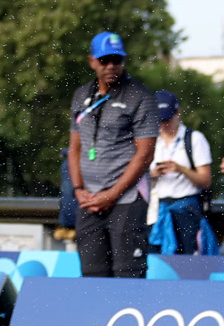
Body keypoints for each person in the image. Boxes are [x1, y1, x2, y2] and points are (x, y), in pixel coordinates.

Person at [67, 31, 159, 278]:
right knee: (92, 274)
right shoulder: (81, 95)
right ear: (92, 61)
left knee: (127, 275)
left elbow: (145, 155)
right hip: (89, 201)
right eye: (104, 60)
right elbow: (75, 147)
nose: (111, 66)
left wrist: (111, 194)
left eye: (116, 60)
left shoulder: (141, 96)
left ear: (123, 61)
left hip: (126, 200)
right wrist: (78, 189)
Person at [146, 89, 212, 254]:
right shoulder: (152, 141)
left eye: (167, 119)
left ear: (178, 113)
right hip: (158, 209)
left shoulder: (194, 138)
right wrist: (153, 174)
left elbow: (206, 181)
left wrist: (182, 169)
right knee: (156, 259)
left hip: (186, 209)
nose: (164, 125)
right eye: (160, 120)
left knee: (186, 261)